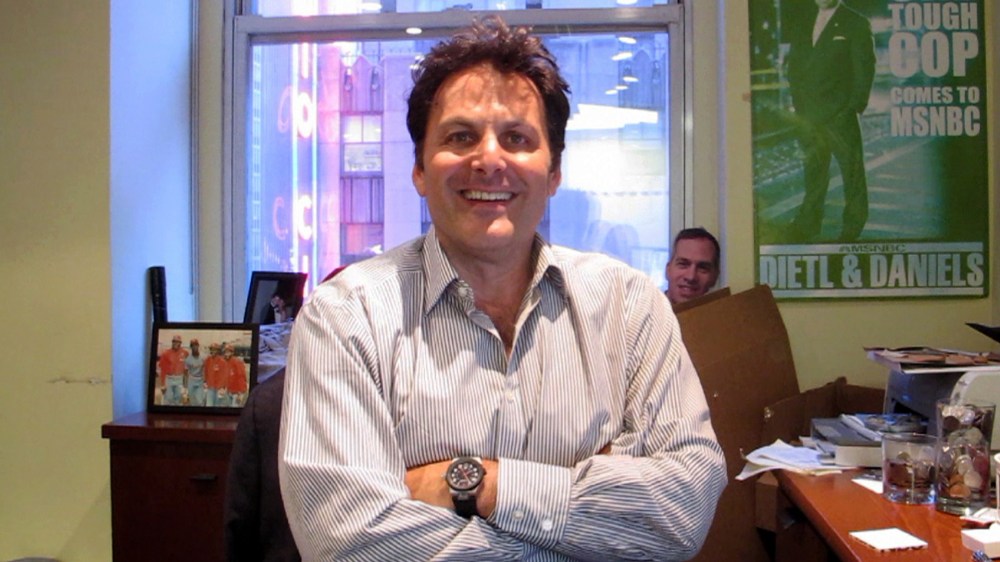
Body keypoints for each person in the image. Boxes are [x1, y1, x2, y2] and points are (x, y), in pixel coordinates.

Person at [279, 16, 726, 561]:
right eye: (460, 136)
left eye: (517, 138)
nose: (489, 160)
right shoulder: (346, 318)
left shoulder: (630, 307)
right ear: (419, 169)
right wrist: (594, 517)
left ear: (553, 172)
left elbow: (684, 511)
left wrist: (476, 484)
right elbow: (351, 546)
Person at [787, 0, 875, 242]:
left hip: (839, 116)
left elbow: (865, 69)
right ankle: (808, 224)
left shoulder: (856, 23)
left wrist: (852, 108)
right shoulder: (803, 23)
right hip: (808, 115)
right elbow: (794, 65)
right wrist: (798, 104)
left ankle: (853, 227)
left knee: (852, 174)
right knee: (814, 173)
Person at [665, 227, 721, 307]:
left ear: (715, 277)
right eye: (683, 264)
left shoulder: (728, 313)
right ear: (668, 270)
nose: (691, 277)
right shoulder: (646, 311)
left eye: (702, 268)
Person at [158, 334, 188, 405]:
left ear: (180, 343)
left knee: (178, 399)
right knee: (168, 399)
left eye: (178, 342)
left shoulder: (185, 353)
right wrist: (162, 384)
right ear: (172, 342)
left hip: (179, 379)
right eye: (174, 341)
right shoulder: (166, 353)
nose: (176, 343)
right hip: (169, 379)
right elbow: (163, 370)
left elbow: (186, 370)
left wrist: (186, 386)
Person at [204, 342, 228, 407]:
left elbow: (225, 375)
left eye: (215, 349)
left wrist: (223, 387)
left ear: (218, 351)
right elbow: (205, 371)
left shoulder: (222, 362)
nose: (213, 351)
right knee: (209, 405)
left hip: (219, 388)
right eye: (212, 349)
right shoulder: (208, 360)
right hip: (210, 387)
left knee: (217, 405)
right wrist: (205, 381)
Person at [184, 338, 206, 406]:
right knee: (192, 400)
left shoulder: (203, 356)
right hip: (192, 379)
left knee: (200, 401)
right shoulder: (188, 359)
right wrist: (185, 386)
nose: (194, 347)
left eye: (196, 345)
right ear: (191, 347)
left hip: (200, 379)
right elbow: (185, 372)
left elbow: (206, 369)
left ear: (198, 346)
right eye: (193, 345)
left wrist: (205, 381)